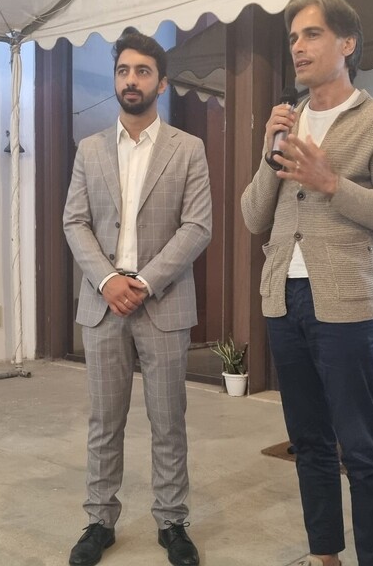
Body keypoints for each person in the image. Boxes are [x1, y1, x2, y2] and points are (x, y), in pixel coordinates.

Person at [240, 0, 373, 566]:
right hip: (283, 299)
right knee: (310, 442)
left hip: (346, 305)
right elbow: (253, 216)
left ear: (347, 44)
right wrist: (269, 153)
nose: (298, 46)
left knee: (361, 448)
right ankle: (325, 555)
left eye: (312, 34)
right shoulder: (287, 122)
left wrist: (332, 183)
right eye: (293, 37)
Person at [62, 28, 212, 566]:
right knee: (105, 421)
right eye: (124, 70)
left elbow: (197, 227)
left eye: (142, 72)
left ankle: (172, 522)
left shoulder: (187, 149)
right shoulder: (90, 149)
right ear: (116, 78)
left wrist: (144, 282)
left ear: (161, 83)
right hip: (103, 303)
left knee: (168, 421)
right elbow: (74, 222)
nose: (132, 80)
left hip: (162, 303)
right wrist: (108, 280)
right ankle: (99, 520)